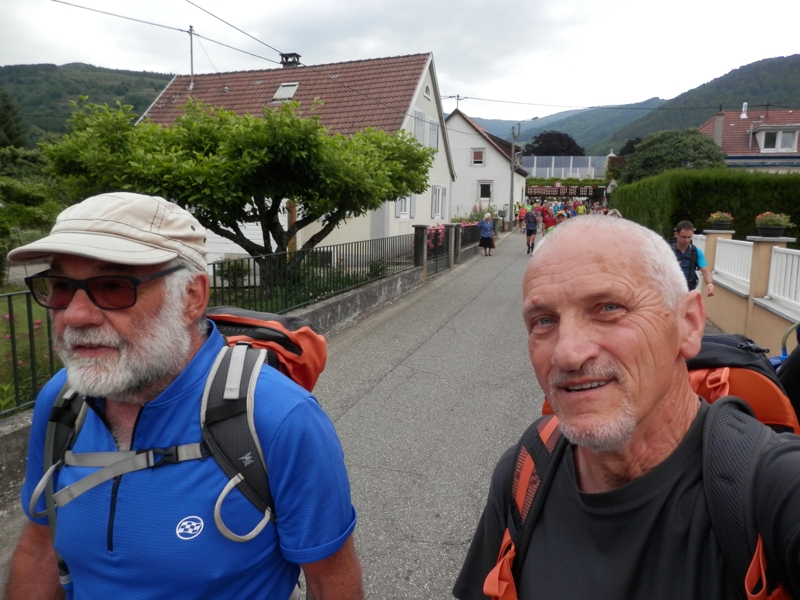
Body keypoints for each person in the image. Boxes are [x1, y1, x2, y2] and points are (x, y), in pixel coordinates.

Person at [5, 192, 362, 600]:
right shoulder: (62, 400)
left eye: (113, 286)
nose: (74, 315)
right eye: (61, 287)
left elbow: (330, 580)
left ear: (191, 297)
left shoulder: (281, 418)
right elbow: (40, 544)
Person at [453, 215, 800, 599]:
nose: (567, 353)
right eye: (544, 320)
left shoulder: (773, 490)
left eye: (608, 308)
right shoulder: (526, 469)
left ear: (688, 324)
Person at [673, 220, 715, 297]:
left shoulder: (696, 252)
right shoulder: (667, 251)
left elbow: (706, 272)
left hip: (689, 292)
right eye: (683, 237)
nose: (686, 240)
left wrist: (710, 285)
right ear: (676, 234)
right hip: (671, 292)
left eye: (689, 237)